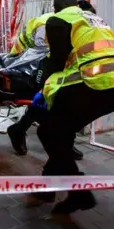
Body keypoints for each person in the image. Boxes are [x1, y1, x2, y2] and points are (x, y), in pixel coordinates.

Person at [27, 0, 114, 215]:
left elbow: (57, 62)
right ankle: (48, 187)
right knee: (61, 133)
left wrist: (42, 88)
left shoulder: (59, 20)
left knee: (48, 133)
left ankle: (78, 192)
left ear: (56, 9)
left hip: (93, 85)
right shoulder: (93, 19)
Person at [7, 10, 84, 161]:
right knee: (45, 98)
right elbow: (40, 50)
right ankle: (22, 130)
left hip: (46, 61)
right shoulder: (46, 24)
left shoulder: (71, 22)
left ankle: (23, 130)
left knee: (55, 101)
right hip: (28, 62)